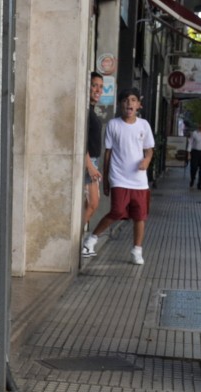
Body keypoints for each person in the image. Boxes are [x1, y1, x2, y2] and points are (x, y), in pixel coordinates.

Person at [80, 89, 155, 266]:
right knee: (118, 211)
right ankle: (92, 239)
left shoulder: (144, 125)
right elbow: (108, 154)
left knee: (140, 216)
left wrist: (146, 161)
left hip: (139, 181)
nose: (129, 103)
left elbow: (149, 150)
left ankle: (137, 250)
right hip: (119, 177)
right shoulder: (113, 125)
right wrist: (105, 180)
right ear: (121, 104)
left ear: (138, 105)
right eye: (126, 100)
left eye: (133, 100)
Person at [81, 72, 105, 253]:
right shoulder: (85, 111)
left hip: (93, 161)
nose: (97, 90)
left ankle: (78, 240)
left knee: (88, 204)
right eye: (94, 85)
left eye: (100, 87)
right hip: (88, 161)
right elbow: (82, 141)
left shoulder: (91, 110)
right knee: (93, 203)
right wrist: (89, 165)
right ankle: (76, 241)